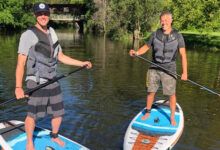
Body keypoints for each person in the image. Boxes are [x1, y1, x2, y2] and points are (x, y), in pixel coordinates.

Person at [15, 2, 92, 150]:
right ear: (35, 15)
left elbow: (61, 57)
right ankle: (30, 142)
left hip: (53, 79)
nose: (43, 16)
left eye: (45, 13)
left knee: (58, 112)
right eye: (39, 13)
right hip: (36, 82)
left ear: (49, 15)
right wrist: (18, 87)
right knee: (32, 115)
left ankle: (54, 136)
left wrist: (81, 63)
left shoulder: (52, 32)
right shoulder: (27, 35)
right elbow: (20, 64)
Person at [129, 11, 187, 126]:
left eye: (166, 20)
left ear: (171, 20)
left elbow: (183, 55)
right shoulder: (154, 34)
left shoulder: (178, 36)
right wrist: (136, 52)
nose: (164, 22)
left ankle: (172, 117)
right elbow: (146, 47)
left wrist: (185, 72)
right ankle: (148, 112)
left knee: (171, 94)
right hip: (154, 68)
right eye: (162, 20)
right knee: (151, 92)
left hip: (169, 69)